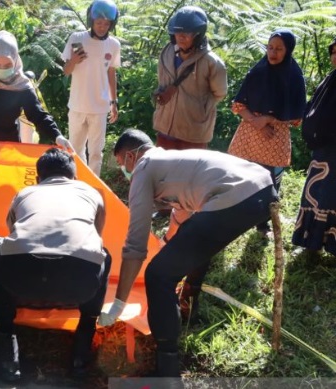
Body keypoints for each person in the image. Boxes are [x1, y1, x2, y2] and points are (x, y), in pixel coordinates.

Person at [99, 129, 276, 378]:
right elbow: (182, 216)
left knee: (158, 276)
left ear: (130, 157)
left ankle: (167, 367)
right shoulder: (172, 162)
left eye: (121, 165)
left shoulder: (143, 168)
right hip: (262, 187)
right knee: (190, 251)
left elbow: (135, 243)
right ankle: (189, 310)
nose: (124, 171)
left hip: (235, 196)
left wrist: (118, 304)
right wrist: (167, 243)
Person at [0, 148, 110, 381]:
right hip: (79, 283)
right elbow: (97, 238)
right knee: (105, 255)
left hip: (21, 279)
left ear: (38, 178)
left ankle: (7, 354)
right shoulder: (92, 192)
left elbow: (12, 232)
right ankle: (81, 354)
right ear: (74, 177)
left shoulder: (25, 192)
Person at [228, 29, 306, 237]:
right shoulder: (258, 71)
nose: (273, 52)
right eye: (270, 47)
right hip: (250, 133)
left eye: (279, 49)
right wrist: (257, 121)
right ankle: (236, 218)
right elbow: (238, 105)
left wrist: (269, 119)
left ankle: (263, 224)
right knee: (240, 176)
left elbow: (297, 117)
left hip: (275, 137)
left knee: (269, 180)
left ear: (288, 51)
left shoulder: (294, 76)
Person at [152, 6, 227, 150]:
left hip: (193, 132)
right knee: (165, 171)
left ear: (198, 34)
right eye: (178, 31)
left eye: (187, 33)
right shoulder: (166, 52)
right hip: (165, 127)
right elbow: (162, 81)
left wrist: (197, 107)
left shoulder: (212, 63)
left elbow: (219, 94)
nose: (181, 36)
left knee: (191, 172)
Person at [62, 0, 121, 176]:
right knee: (74, 150)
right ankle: (75, 182)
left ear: (112, 24)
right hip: (77, 106)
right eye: (99, 23)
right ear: (91, 21)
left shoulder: (114, 45)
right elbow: (66, 71)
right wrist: (73, 61)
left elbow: (111, 73)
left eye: (106, 24)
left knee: (96, 153)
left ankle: (92, 186)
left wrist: (114, 101)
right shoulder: (77, 39)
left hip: (100, 107)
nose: (102, 27)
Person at [292, 37, 336, 257]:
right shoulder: (329, 79)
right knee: (315, 194)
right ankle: (312, 243)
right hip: (323, 152)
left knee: (331, 196)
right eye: (334, 52)